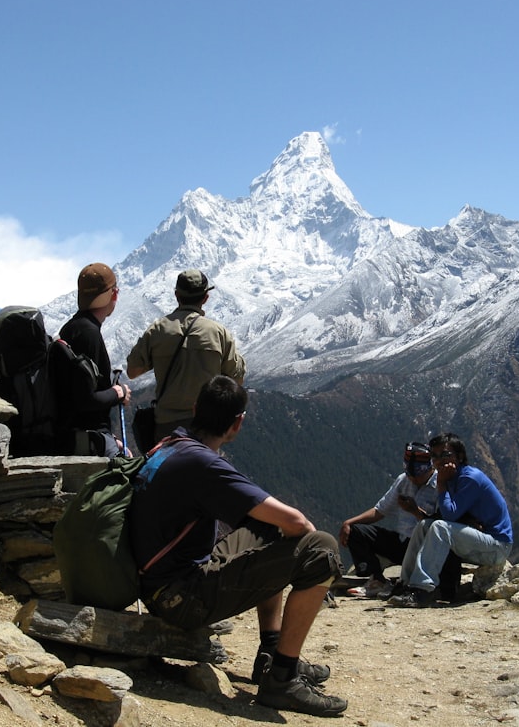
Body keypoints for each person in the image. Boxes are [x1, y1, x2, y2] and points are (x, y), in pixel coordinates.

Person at [127, 375, 348, 717]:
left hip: (161, 584)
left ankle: (270, 653)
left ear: (195, 409)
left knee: (268, 527)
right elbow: (299, 525)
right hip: (182, 597)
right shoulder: (205, 465)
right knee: (321, 548)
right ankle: (283, 679)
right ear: (238, 424)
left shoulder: (169, 446)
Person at [388, 432, 513, 608]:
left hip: (497, 547)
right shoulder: (453, 478)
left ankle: (422, 590)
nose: (439, 460)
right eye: (434, 455)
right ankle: (405, 584)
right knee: (425, 525)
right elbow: (445, 515)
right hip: (481, 541)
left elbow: (449, 516)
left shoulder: (469, 478)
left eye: (445, 454)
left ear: (460, 456)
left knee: (440, 527)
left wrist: (440, 483)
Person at [126, 269, 245, 444]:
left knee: (166, 470)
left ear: (177, 295)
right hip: (206, 428)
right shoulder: (219, 333)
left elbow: (132, 371)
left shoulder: (158, 329)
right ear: (205, 298)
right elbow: (237, 379)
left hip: (166, 428)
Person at [339, 442, 460, 600]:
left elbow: (441, 524)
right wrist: (349, 523)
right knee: (357, 531)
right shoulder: (404, 481)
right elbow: (379, 510)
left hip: (427, 548)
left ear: (430, 467)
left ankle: (426, 585)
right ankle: (376, 579)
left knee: (431, 530)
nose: (413, 477)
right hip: (403, 543)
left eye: (418, 472)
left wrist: (415, 511)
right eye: (409, 471)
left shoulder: (441, 485)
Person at [53, 262, 131, 456]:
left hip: (72, 437)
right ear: (113, 294)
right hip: (89, 440)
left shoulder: (71, 328)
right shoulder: (90, 334)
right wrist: (118, 392)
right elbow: (86, 399)